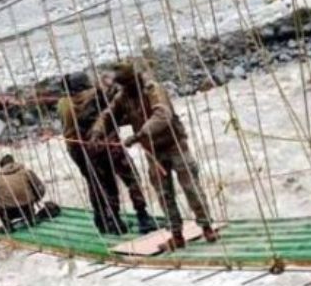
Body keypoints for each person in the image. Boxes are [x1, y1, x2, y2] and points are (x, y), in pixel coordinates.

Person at [89, 61, 218, 250]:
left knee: (191, 189)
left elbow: (162, 115)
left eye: (125, 84)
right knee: (164, 195)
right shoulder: (123, 97)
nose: (123, 88)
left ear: (133, 79)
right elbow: (108, 115)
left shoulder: (153, 89)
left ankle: (206, 227)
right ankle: (176, 234)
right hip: (153, 153)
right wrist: (97, 131)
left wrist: (139, 135)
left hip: (175, 146)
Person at [58, 72, 156, 235]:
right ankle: (143, 216)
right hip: (108, 144)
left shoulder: (63, 103)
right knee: (130, 177)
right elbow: (116, 106)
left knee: (102, 183)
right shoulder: (96, 95)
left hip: (81, 150)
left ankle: (111, 221)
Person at [0, 154, 46, 232]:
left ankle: (7, 225)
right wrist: (36, 198)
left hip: (10, 211)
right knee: (31, 190)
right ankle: (31, 218)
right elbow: (40, 187)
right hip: (27, 207)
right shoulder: (26, 172)